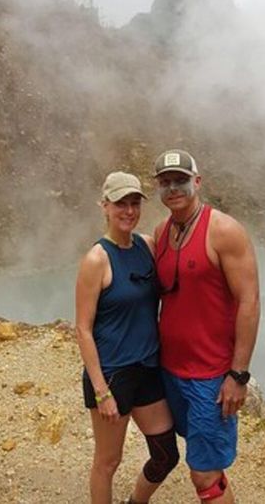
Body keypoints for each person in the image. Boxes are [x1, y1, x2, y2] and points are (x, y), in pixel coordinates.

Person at [152, 149, 261, 503]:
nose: (173, 188)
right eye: (165, 182)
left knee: (204, 473)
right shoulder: (162, 232)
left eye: (180, 180)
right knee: (203, 457)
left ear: (197, 182)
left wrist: (238, 375)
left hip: (210, 376)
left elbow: (249, 301)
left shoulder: (224, 231)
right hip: (170, 370)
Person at [75, 171, 180, 504]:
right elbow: (83, 329)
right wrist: (101, 391)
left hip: (147, 368)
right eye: (121, 203)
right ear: (105, 206)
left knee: (166, 454)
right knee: (108, 462)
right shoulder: (97, 259)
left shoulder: (146, 245)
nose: (129, 211)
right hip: (113, 374)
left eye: (135, 203)